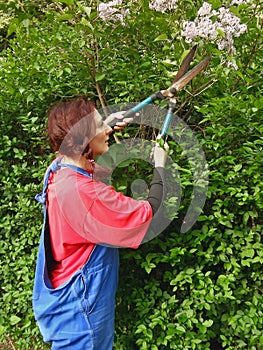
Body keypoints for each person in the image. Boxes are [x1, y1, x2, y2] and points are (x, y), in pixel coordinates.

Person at [33, 96, 168, 349]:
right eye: (98, 125)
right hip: (82, 307)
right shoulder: (86, 194)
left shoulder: (60, 166)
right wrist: (160, 165)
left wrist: (106, 125)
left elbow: (86, 162)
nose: (106, 129)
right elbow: (147, 212)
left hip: (64, 292)